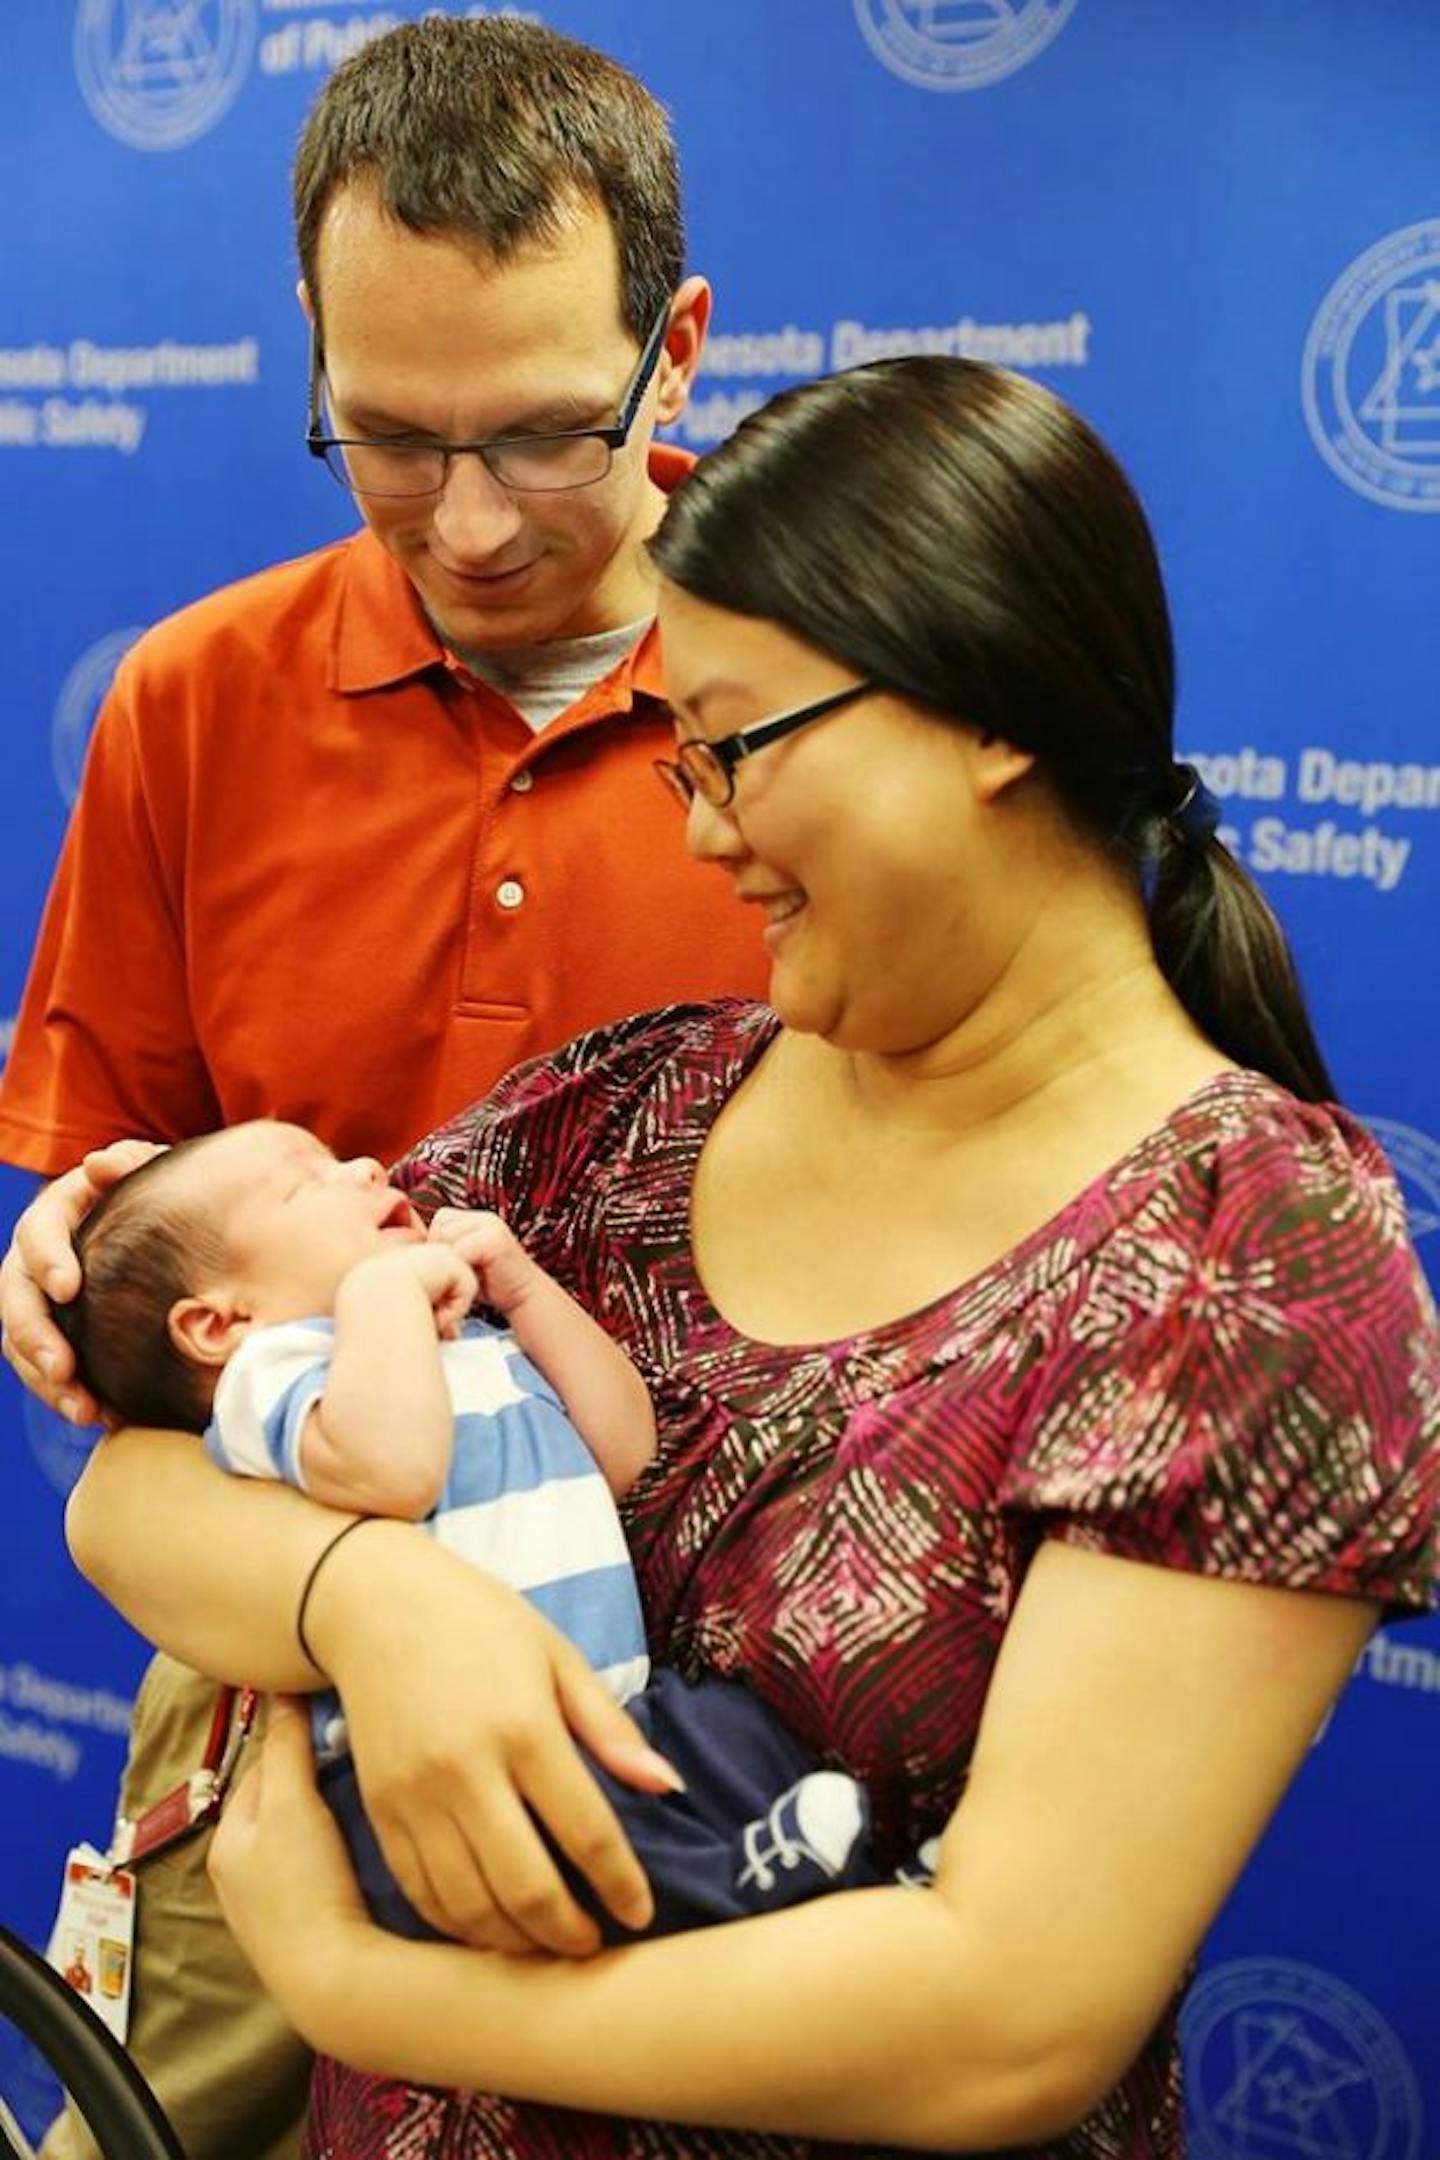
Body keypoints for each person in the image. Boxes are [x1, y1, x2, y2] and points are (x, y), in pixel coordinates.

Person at [56, 355, 1439, 2159]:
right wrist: (368, 1604)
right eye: (681, 751)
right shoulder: (627, 1113)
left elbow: (1002, 2019)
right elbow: (134, 1492)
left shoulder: (1252, 1255)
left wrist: (356, 1985)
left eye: (738, 747)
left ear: (987, 711)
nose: (698, 824)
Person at [0, 17, 769, 2157]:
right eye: (387, 440)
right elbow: (122, 1221)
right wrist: (78, 1251)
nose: (474, 519)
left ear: (676, 351)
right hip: (269, 1690)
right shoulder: (193, 700)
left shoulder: (816, 688)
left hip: (726, 1705)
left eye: (539, 433)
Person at [55, 1120, 901, 1944]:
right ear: (217, 1324)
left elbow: (621, 1452)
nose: (361, 1170)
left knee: (727, 1735)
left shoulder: (461, 1343)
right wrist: (382, 1294)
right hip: (432, 1765)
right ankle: (754, 1893)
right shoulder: (276, 1378)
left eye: (342, 1157)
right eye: (305, 1182)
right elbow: (391, 1469)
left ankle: (844, 1881)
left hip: (612, 1710)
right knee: (590, 1859)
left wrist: (526, 1293)